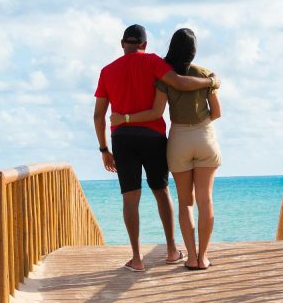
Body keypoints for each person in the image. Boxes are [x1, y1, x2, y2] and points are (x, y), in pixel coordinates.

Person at [93, 24, 220, 272]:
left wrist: (104, 150)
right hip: (153, 135)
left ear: (122, 44)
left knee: (130, 198)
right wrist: (210, 82)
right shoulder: (152, 61)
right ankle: (173, 251)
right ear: (145, 44)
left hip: (122, 138)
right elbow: (180, 83)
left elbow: (99, 115)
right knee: (161, 192)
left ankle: (137, 259)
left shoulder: (107, 71)